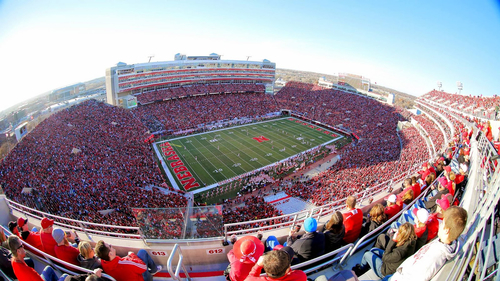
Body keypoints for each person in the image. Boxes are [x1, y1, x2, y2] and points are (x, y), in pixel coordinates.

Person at [390, 206, 468, 281]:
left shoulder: (436, 257)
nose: (440, 225)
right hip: (399, 273)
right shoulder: (440, 242)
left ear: (446, 230)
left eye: (442, 223)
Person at [353, 222, 417, 279]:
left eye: (399, 232)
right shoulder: (411, 242)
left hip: (385, 271)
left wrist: (393, 240)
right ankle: (368, 264)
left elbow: (385, 257)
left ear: (402, 235)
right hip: (392, 262)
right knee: (374, 250)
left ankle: (361, 269)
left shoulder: (400, 252)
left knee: (366, 254)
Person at [95, 240, 162, 281]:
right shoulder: (126, 263)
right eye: (109, 246)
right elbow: (143, 267)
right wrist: (132, 255)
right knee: (142, 252)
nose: (111, 245)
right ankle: (154, 270)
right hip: (141, 279)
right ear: (110, 253)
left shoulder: (103, 262)